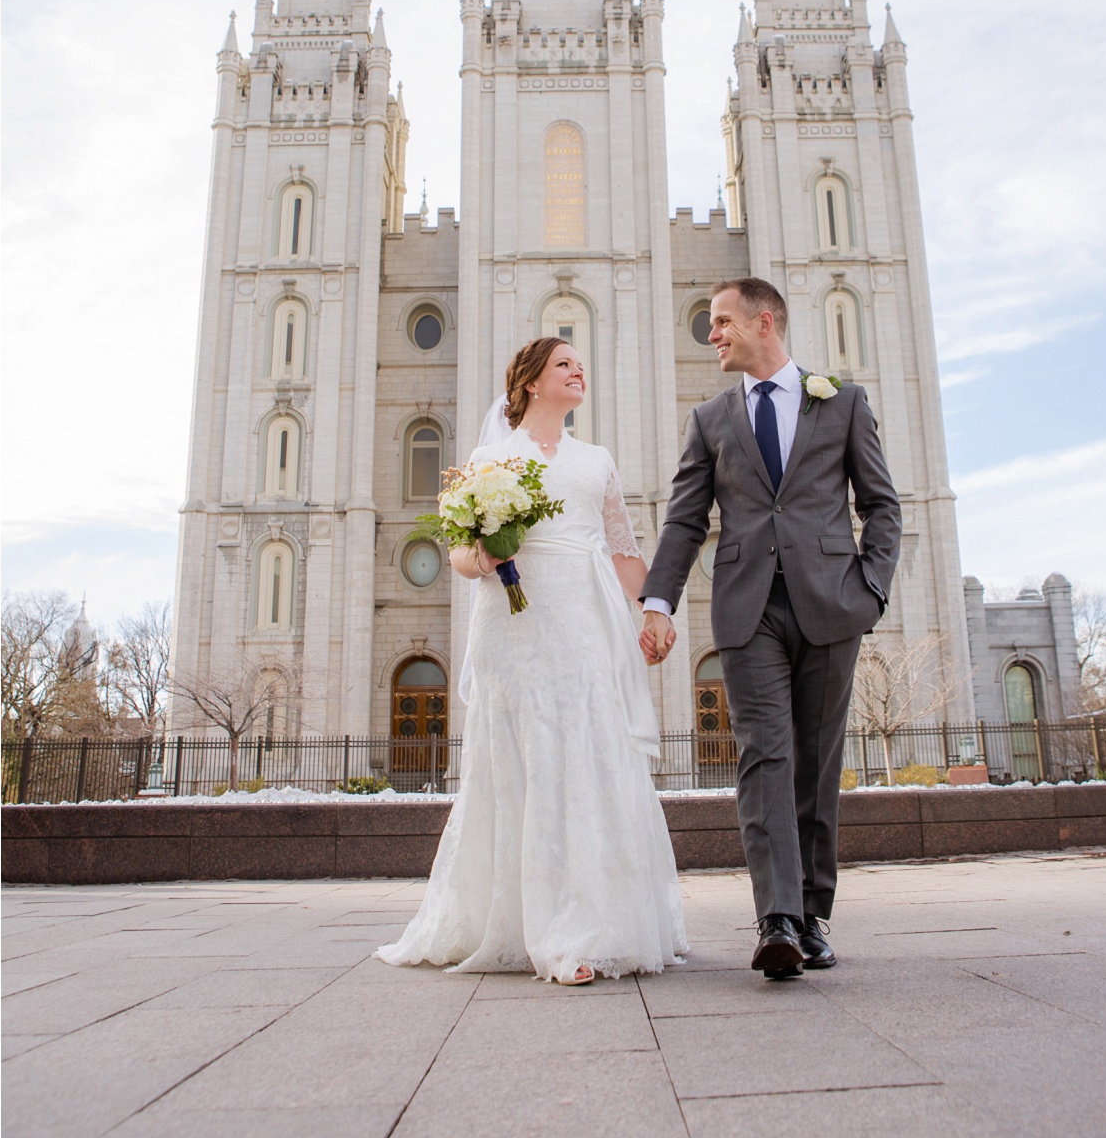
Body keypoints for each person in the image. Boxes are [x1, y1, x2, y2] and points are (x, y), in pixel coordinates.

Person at [376, 337, 687, 985]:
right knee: (525, 762)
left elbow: (624, 550)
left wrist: (656, 610)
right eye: (564, 364)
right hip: (513, 629)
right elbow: (461, 553)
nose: (578, 370)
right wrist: (487, 556)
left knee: (586, 759)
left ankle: (590, 923)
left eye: (581, 361)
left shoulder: (596, 460)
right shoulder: (490, 459)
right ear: (530, 383)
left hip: (582, 619)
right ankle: (539, 929)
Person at [640, 276, 901, 979]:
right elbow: (685, 520)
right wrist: (658, 600)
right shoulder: (710, 419)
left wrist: (871, 590)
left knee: (816, 761)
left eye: (723, 321)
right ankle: (777, 917)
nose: (713, 333)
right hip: (747, 610)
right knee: (764, 754)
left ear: (764, 322)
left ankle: (814, 914)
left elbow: (882, 504)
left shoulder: (841, 401)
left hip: (830, 605)